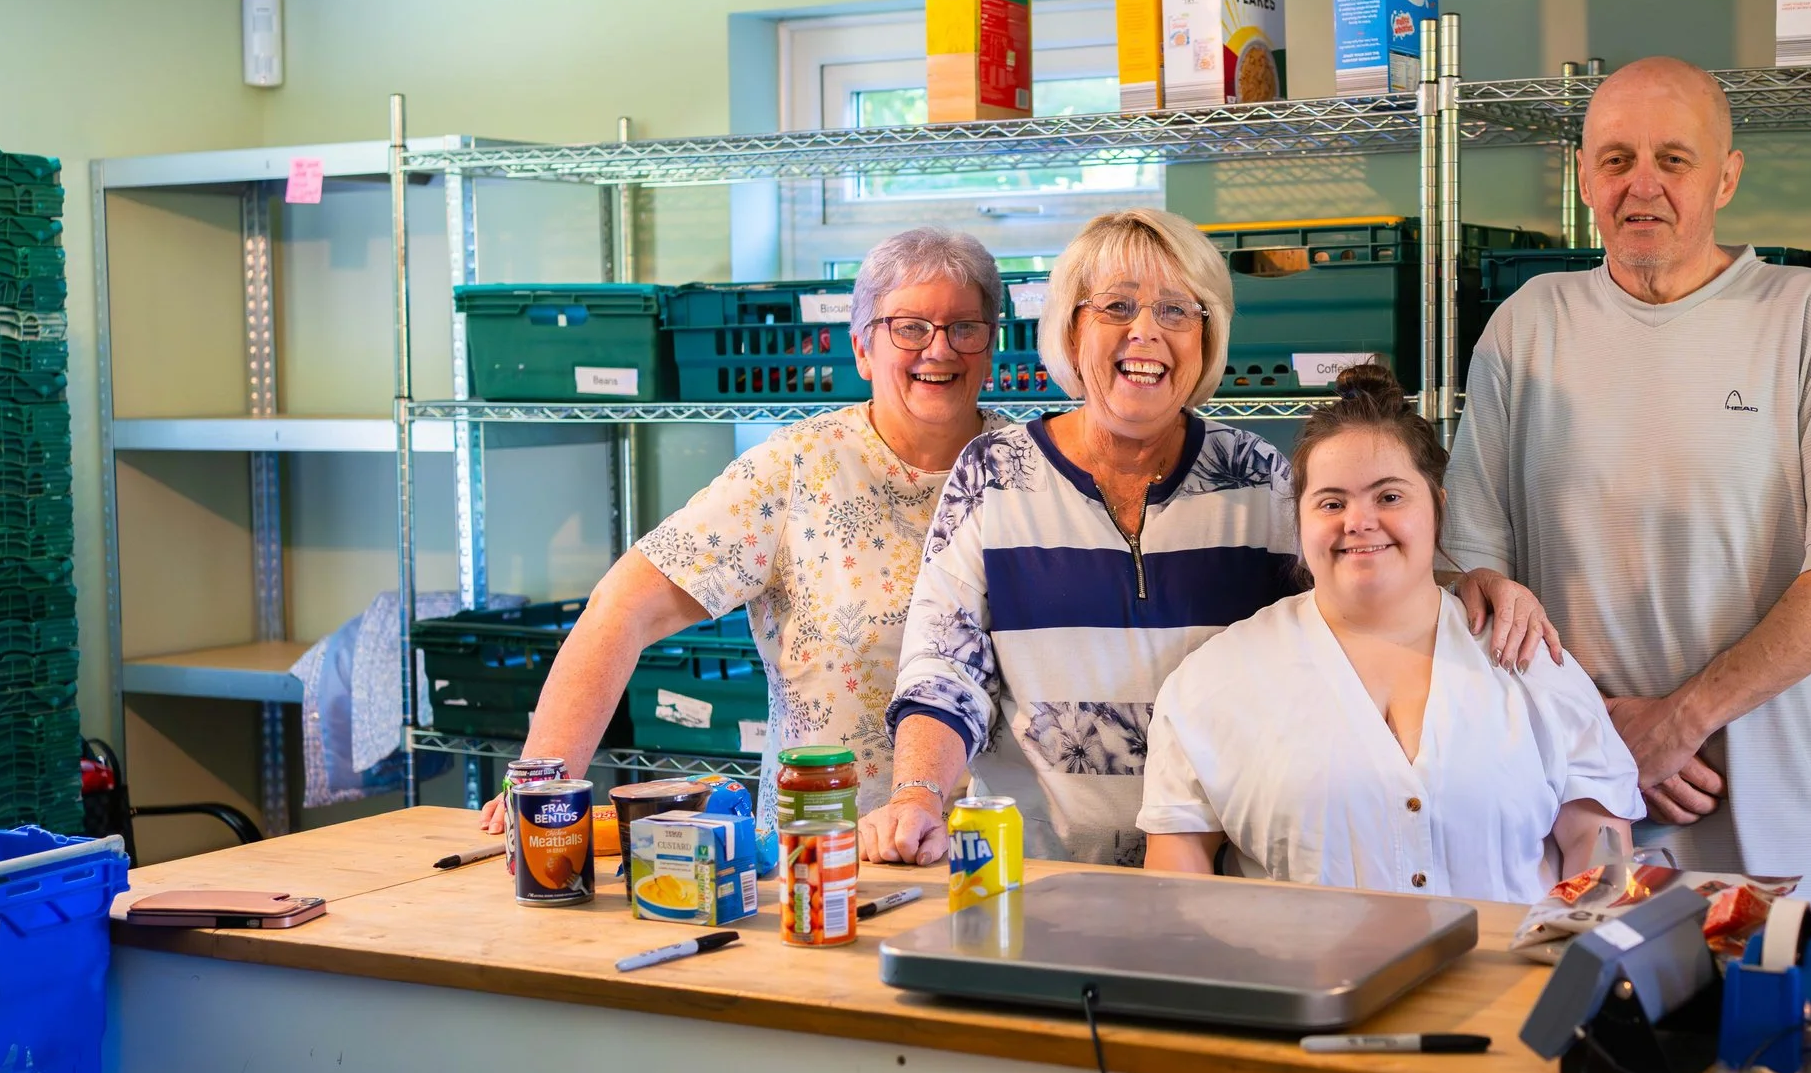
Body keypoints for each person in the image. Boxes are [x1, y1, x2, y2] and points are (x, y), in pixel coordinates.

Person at [861, 207, 1560, 868]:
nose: (1146, 331)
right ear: (1072, 333)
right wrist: (918, 793)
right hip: (1037, 869)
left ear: (1208, 339)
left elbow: (1363, 596)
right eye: (1117, 305)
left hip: (1219, 867)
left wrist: (1467, 588)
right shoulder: (994, 476)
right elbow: (945, 672)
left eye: (1177, 310)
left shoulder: (1255, 479)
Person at [1444, 57, 1811, 900]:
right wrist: (1600, 730)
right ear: (1584, 175)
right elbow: (1468, 576)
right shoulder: (1526, 330)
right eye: (1616, 159)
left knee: (1775, 1026)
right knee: (1579, 1020)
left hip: (1782, 816)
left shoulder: (1809, 316)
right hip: (1581, 805)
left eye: (1675, 159)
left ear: (1727, 176)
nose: (1642, 186)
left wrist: (1679, 720)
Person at [479, 226, 1007, 830]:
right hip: (821, 859)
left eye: (964, 328)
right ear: (862, 347)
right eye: (909, 327)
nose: (939, 349)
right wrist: (543, 789)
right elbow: (621, 611)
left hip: (998, 846)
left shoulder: (1028, 472)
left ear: (990, 347)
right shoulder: (794, 470)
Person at [1138, 364, 1641, 903]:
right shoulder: (1214, 683)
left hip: (1519, 984)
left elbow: (1599, 843)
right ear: (1300, 521)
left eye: (1389, 497)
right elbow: (1176, 881)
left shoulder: (1527, 660)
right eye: (1331, 503)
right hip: (1300, 985)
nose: (1359, 521)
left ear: (1437, 509)